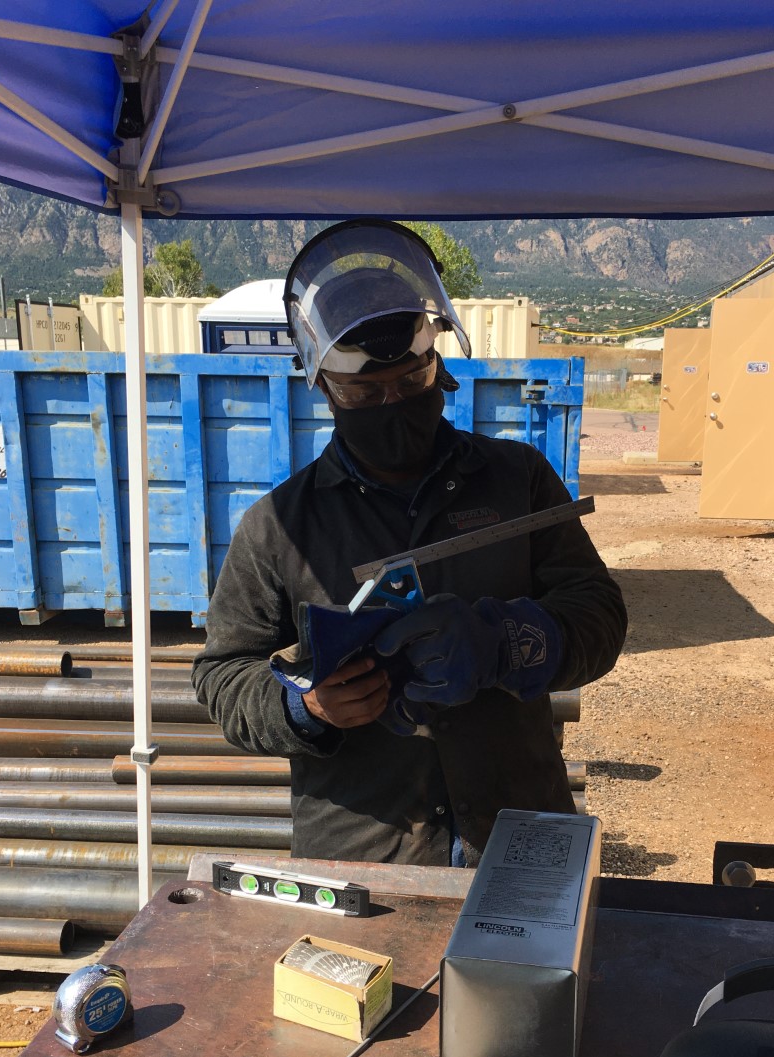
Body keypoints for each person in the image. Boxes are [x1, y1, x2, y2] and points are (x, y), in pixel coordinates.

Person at [192, 219, 627, 866]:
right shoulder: (278, 526)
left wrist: (504, 642)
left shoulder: (518, 481)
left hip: (518, 835)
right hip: (367, 850)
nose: (392, 404)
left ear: (438, 368)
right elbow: (221, 676)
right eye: (365, 393)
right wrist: (306, 707)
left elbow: (600, 614)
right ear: (325, 391)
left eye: (411, 383)